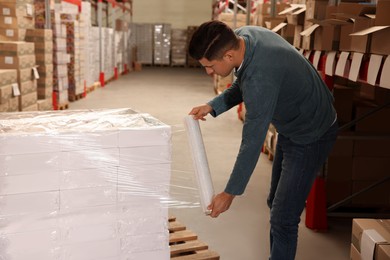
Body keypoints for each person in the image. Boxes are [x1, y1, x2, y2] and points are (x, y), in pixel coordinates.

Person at [187, 20, 338, 260]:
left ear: (227, 56)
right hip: (293, 124)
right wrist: (212, 106)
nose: (208, 72)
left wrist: (229, 193)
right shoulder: (245, 37)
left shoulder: (262, 78)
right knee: (274, 202)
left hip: (311, 133)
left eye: (210, 66)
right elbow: (242, 84)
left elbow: (252, 142)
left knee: (283, 217)